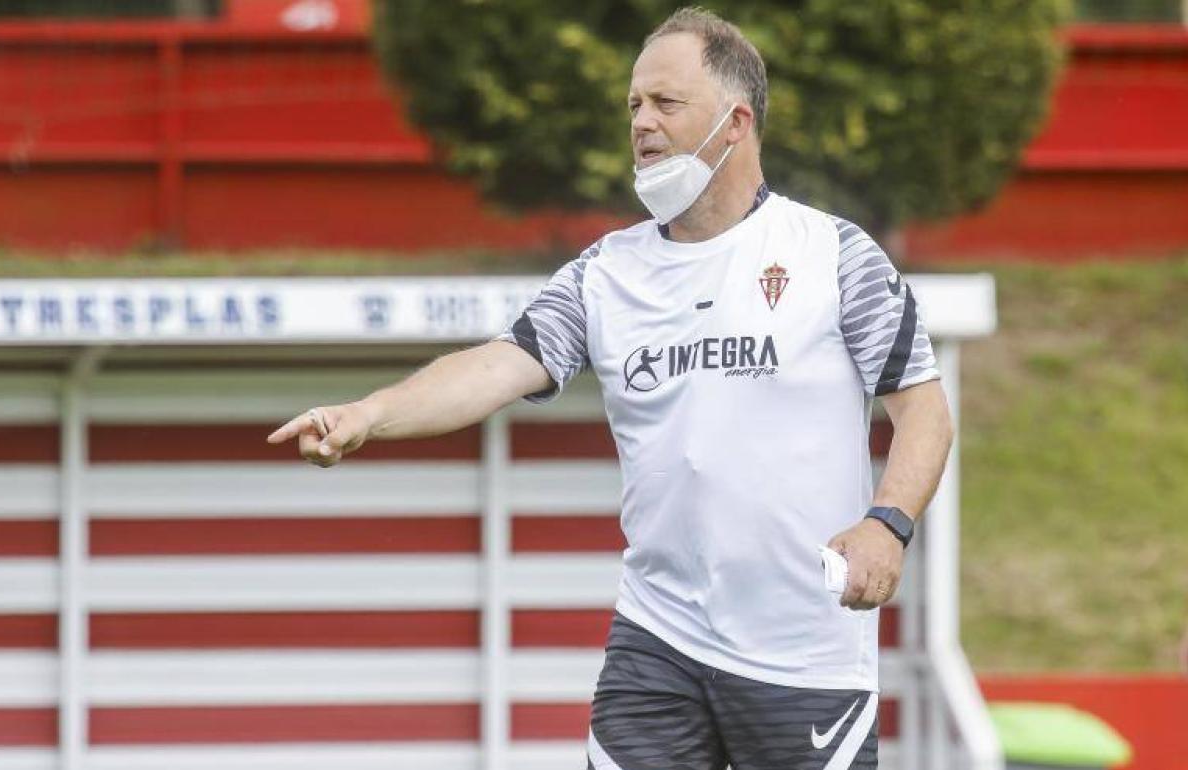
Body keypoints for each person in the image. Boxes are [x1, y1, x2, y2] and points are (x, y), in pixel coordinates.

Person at [268, 8, 953, 769]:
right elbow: (497, 365)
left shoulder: (833, 255)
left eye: (665, 103)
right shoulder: (606, 274)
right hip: (659, 639)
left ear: (734, 123)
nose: (642, 123)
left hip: (805, 658)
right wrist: (368, 415)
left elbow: (923, 407)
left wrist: (887, 524)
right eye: (633, 105)